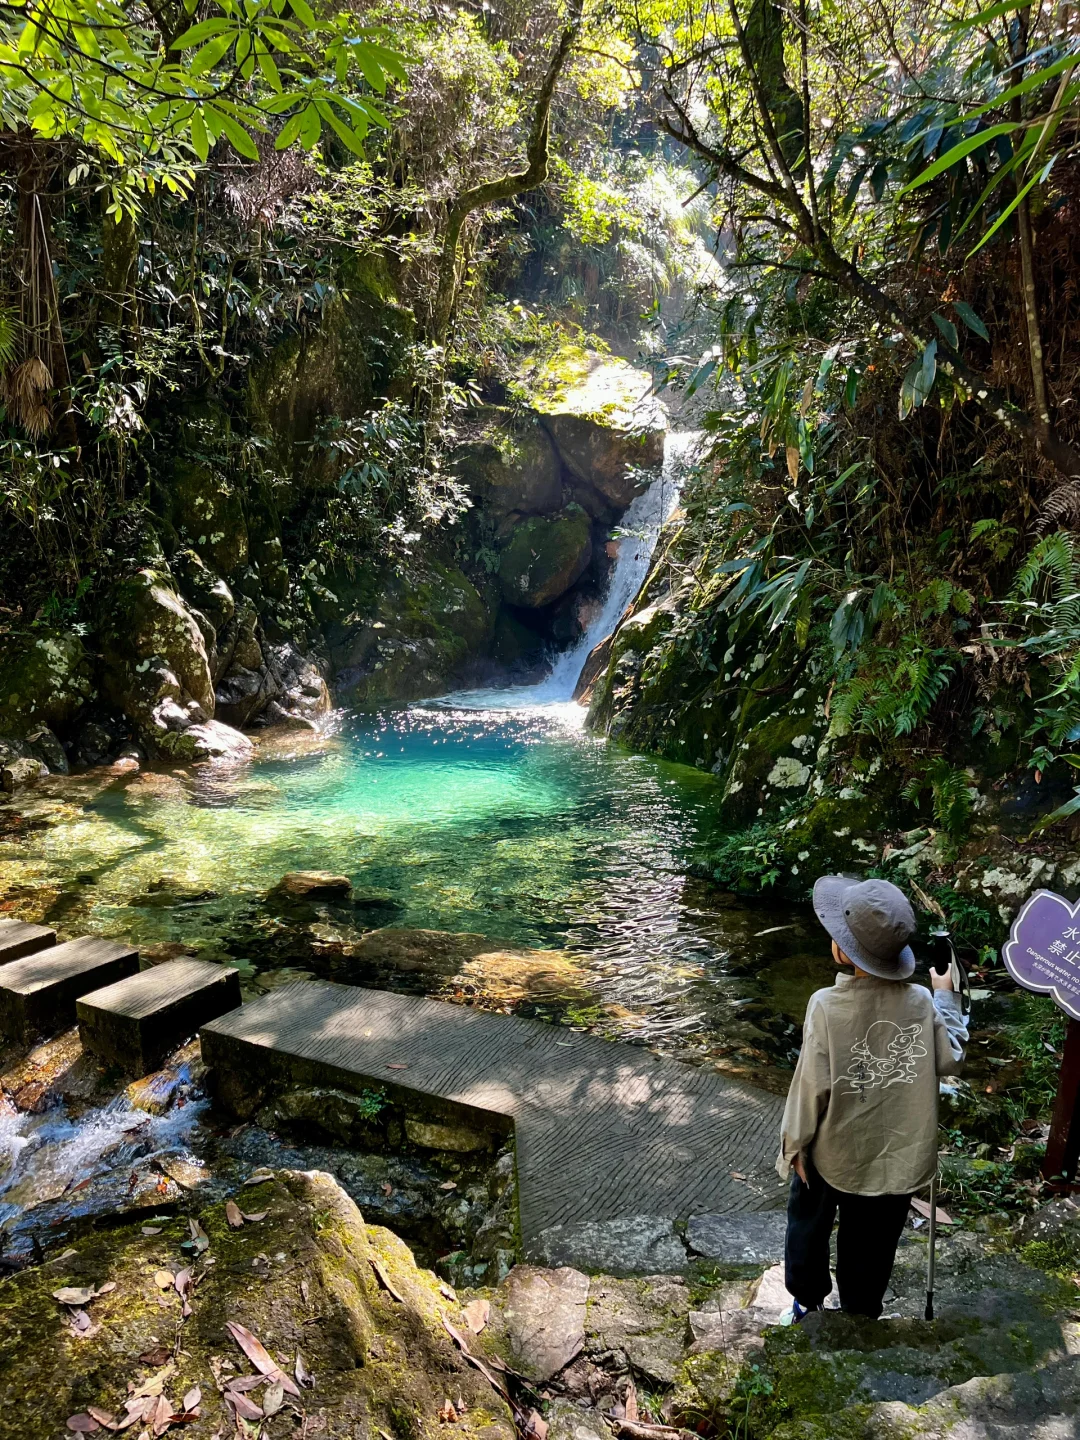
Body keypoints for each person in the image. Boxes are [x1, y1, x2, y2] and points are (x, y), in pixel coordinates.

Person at [777, 875, 969, 1322]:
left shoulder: (825, 1004)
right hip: (897, 1155)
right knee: (874, 1242)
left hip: (831, 1151)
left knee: (808, 1226)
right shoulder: (922, 1002)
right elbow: (952, 1059)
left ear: (843, 951)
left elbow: (810, 1086)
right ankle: (862, 1313)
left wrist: (793, 1144)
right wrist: (948, 999)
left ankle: (807, 1301)